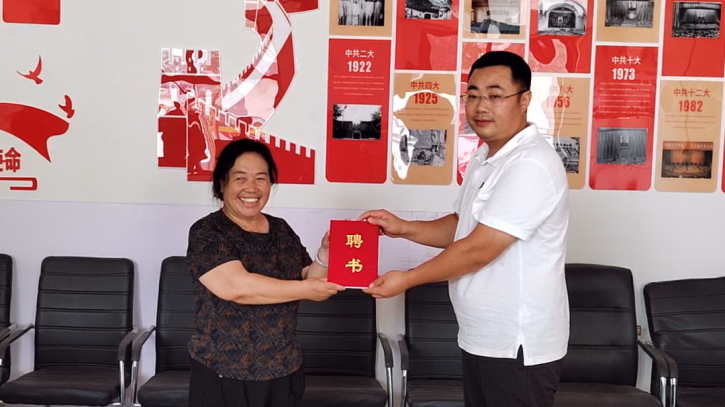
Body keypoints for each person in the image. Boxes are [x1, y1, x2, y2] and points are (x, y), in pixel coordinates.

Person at [359, 51, 570, 407]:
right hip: (483, 336)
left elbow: (479, 248)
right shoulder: (486, 156)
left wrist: (406, 280)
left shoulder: (530, 164)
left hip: (516, 343)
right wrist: (403, 228)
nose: (481, 106)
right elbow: (463, 227)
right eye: (472, 95)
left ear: (525, 100)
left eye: (495, 95)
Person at [185, 138, 345, 407]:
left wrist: (324, 255)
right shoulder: (207, 231)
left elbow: (309, 277)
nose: (252, 188)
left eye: (261, 178)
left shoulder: (281, 229)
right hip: (224, 371)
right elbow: (237, 288)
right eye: (240, 178)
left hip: (284, 368)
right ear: (222, 184)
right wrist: (306, 290)